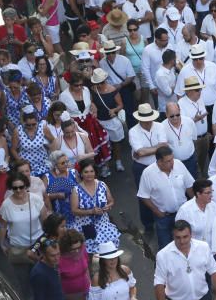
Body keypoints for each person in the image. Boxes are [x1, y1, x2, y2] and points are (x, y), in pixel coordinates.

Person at [138, 145, 195, 250]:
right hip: (163, 217)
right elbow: (143, 196)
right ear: (159, 162)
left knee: (185, 243)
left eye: (172, 159)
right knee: (165, 246)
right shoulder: (148, 173)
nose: (172, 162)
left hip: (183, 213)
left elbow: (189, 186)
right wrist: (156, 211)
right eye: (168, 161)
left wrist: (195, 204)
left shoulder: (179, 164)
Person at [0, 172, 47, 298]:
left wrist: (48, 240)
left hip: (37, 245)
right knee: (23, 278)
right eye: (15, 188)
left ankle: (41, 298)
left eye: (21, 187)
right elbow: (3, 226)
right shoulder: (6, 205)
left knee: (41, 275)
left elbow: (45, 222)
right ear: (11, 188)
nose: (19, 190)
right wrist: (2, 244)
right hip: (18, 247)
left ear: (26, 186)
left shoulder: (36, 199)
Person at [71, 157, 121, 254]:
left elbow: (111, 201)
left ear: (95, 172)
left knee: (109, 252)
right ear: (81, 173)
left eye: (91, 171)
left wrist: (108, 206)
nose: (89, 174)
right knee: (89, 254)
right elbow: (74, 210)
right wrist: (91, 211)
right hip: (86, 227)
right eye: (86, 172)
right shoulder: (76, 190)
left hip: (103, 225)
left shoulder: (102, 185)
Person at [127, 103, 164, 233]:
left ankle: (162, 218)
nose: (148, 122)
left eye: (150, 119)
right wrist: (156, 148)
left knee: (161, 192)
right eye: (145, 120)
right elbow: (140, 152)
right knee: (144, 196)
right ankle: (148, 224)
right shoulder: (133, 131)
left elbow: (162, 147)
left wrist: (144, 151)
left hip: (159, 165)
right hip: (141, 168)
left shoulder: (160, 126)